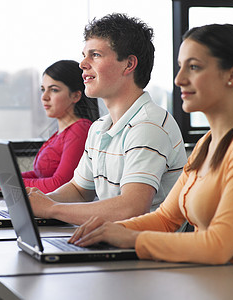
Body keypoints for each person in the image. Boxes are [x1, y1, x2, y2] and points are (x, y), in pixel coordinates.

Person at [69, 23, 233, 267]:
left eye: (193, 67)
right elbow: (165, 218)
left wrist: (133, 238)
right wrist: (107, 231)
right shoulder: (207, 143)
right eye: (180, 67)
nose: (179, 79)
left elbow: (217, 247)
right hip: (206, 279)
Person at [26, 13, 187, 226]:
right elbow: (79, 190)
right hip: (114, 239)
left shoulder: (149, 125)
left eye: (95, 55)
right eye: (84, 55)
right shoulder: (100, 127)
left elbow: (132, 207)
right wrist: (37, 202)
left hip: (148, 251)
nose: (82, 63)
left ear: (129, 64)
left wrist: (51, 208)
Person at [0, 60, 99, 193]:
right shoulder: (60, 132)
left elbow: (59, 185)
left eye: (54, 90)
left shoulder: (80, 130)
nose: (44, 97)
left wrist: (4, 183)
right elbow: (39, 175)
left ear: (75, 95)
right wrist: (1, 179)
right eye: (43, 90)